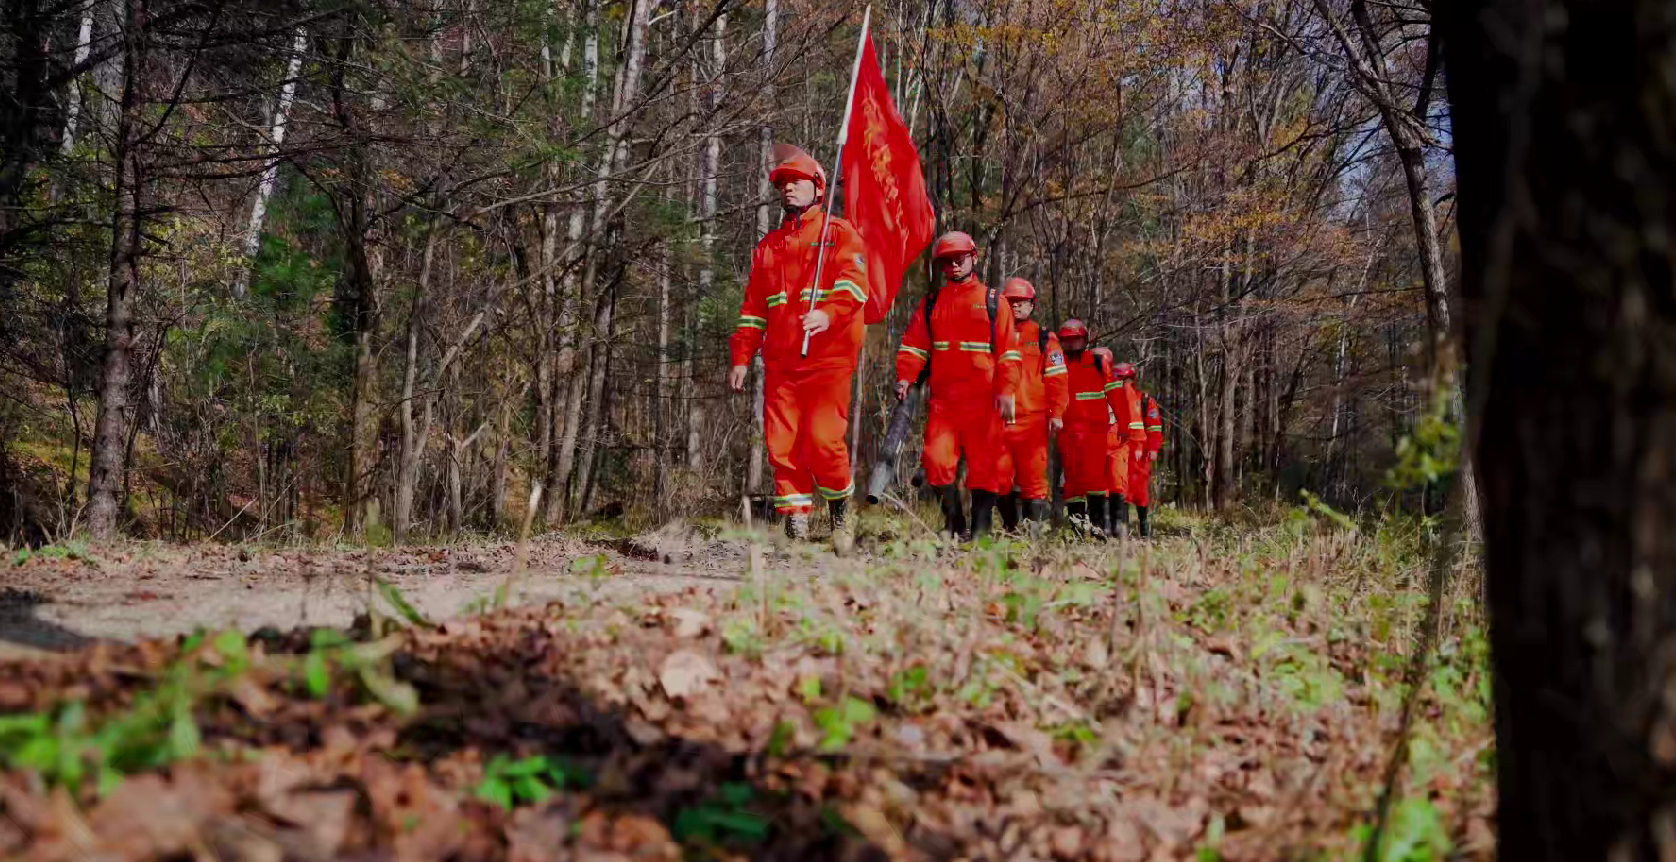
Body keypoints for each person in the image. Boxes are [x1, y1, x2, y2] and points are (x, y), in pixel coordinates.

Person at [728, 145, 869, 554]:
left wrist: (827, 314)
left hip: (829, 359)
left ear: (818, 188)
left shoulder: (839, 234)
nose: (788, 189)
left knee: (824, 441)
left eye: (797, 182)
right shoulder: (768, 247)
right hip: (781, 363)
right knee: (782, 445)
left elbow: (855, 285)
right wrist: (741, 357)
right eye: (783, 184)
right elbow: (754, 310)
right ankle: (796, 526)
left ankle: (841, 512)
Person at [894, 231, 1021, 539]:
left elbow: (1009, 354)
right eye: (947, 261)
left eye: (959, 259)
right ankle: (954, 523)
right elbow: (913, 346)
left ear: (973, 258)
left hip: (985, 402)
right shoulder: (931, 304)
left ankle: (980, 532)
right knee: (936, 464)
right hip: (945, 403)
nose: (953, 265)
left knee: (985, 469)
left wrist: (1007, 391)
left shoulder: (994, 302)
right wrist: (905, 377)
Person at [993, 278, 1067, 532]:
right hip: (997, 420)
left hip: (1032, 421)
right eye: (1011, 301)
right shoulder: (992, 333)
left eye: (1021, 302)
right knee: (998, 478)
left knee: (1034, 480)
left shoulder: (1044, 337)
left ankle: (1033, 536)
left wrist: (1057, 413)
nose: (1016, 306)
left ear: (1032, 305)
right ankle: (1012, 528)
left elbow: (1058, 379)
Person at [1055, 322, 1141, 537]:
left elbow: (1115, 395)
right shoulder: (1057, 363)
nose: (1072, 344)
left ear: (1085, 340)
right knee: (1072, 482)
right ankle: (1077, 532)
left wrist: (1124, 424)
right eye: (1067, 340)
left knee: (1095, 481)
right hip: (1067, 432)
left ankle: (1098, 529)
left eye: (1076, 339)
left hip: (1094, 431)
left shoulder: (1097, 362)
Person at [1131, 385, 1164, 537]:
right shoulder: (1113, 396)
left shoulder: (1145, 400)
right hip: (1118, 448)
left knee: (1141, 491)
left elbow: (1154, 427)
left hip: (1142, 454)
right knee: (1118, 488)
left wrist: (1153, 448)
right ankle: (1119, 528)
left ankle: (1143, 525)